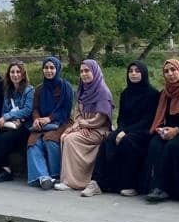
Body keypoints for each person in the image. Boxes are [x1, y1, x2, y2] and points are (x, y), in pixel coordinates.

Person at [82, 60, 159, 197]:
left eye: (137, 71)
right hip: (125, 129)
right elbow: (121, 118)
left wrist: (125, 132)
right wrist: (120, 131)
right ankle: (97, 182)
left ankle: (129, 184)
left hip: (144, 131)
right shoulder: (125, 93)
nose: (133, 74)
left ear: (144, 73)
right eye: (131, 71)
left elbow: (148, 120)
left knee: (128, 142)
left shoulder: (152, 94)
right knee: (108, 141)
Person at [143, 60, 179, 203]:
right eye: (166, 71)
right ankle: (154, 186)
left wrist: (177, 130)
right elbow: (161, 117)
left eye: (173, 70)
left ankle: (170, 189)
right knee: (155, 144)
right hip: (167, 131)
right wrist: (161, 128)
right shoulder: (164, 93)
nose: (170, 74)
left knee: (173, 146)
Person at [53, 60, 114, 191]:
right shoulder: (83, 90)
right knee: (64, 136)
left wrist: (87, 124)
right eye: (81, 71)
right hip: (84, 128)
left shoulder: (102, 91)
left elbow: (102, 117)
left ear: (95, 72)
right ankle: (68, 178)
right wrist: (81, 125)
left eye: (87, 71)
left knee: (71, 139)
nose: (84, 74)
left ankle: (74, 182)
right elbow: (78, 113)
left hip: (98, 130)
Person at [26, 56, 74, 190]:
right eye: (46, 68)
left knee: (50, 140)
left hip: (62, 121)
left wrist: (50, 118)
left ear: (57, 69)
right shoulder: (40, 89)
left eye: (52, 68)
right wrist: (36, 119)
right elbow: (35, 108)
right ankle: (43, 177)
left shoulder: (66, 87)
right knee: (33, 142)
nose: (49, 71)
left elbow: (66, 110)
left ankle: (55, 174)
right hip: (42, 122)